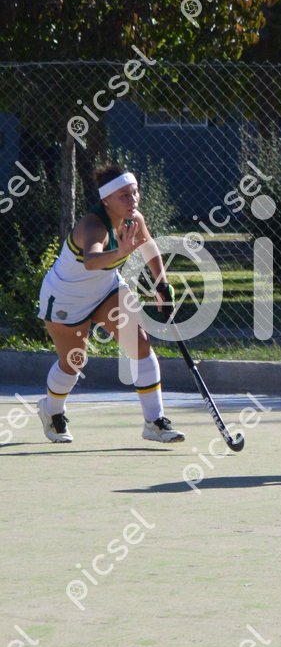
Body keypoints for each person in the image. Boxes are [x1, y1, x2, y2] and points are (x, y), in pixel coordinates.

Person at [36, 163, 185, 445]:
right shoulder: (93, 226)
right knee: (74, 362)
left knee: (140, 342)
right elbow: (92, 261)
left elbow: (148, 245)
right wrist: (122, 251)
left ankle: (154, 422)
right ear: (106, 199)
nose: (133, 200)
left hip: (106, 290)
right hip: (66, 298)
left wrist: (162, 285)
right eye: (124, 196)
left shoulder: (133, 218)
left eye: (135, 192)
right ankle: (51, 410)